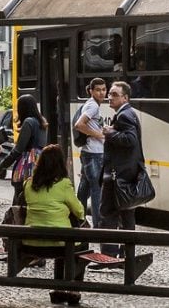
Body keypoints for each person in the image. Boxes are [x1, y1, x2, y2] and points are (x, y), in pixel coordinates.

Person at [20, 143, 86, 305]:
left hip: (32, 243)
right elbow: (80, 212)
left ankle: (58, 290)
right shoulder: (64, 184)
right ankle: (73, 289)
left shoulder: (28, 184)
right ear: (60, 164)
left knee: (63, 242)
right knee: (81, 241)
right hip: (60, 244)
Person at [97, 81, 144, 259]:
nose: (110, 97)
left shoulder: (124, 115)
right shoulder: (128, 113)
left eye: (115, 94)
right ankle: (127, 255)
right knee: (127, 215)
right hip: (126, 174)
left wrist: (110, 133)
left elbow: (130, 140)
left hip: (118, 176)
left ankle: (108, 256)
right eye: (110, 93)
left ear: (125, 97)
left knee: (107, 215)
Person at [0, 94, 48, 205]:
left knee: (20, 198)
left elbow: (17, 150)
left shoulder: (28, 122)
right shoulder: (42, 121)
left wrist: (1, 166)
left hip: (28, 163)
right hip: (40, 162)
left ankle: (16, 220)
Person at [74, 78, 106, 228]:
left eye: (104, 89)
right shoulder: (93, 106)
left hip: (88, 153)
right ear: (91, 91)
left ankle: (77, 219)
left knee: (84, 188)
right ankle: (98, 224)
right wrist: (98, 135)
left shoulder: (90, 104)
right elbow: (79, 125)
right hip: (94, 153)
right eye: (98, 90)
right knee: (96, 189)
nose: (102, 93)